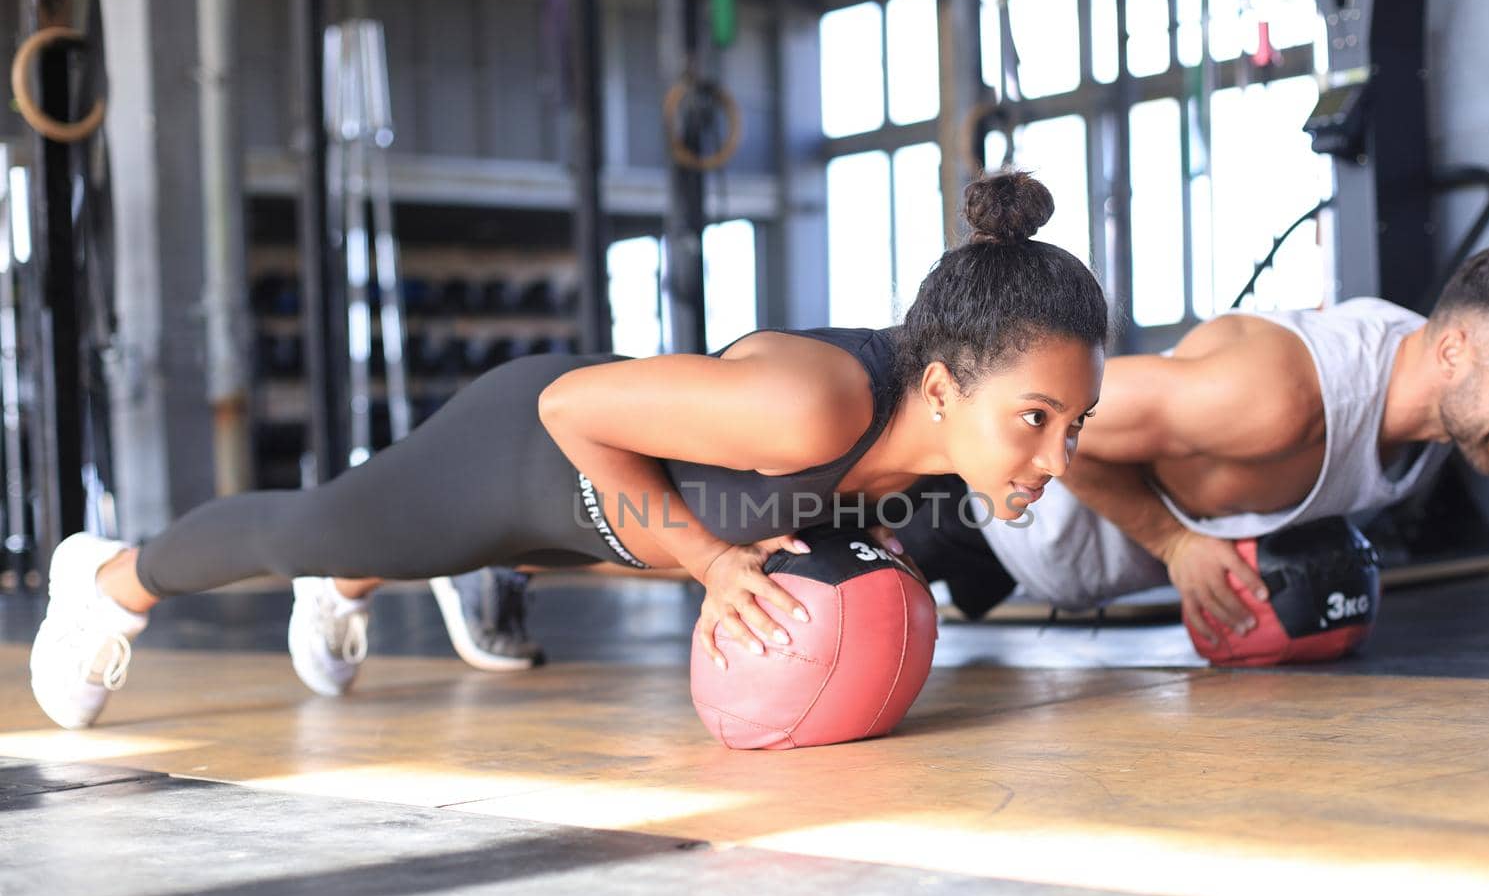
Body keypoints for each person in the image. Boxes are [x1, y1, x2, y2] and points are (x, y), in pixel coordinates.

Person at [30, 171, 1108, 730]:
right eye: (1037, 417)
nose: (1059, 457)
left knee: (425, 547)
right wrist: (711, 562)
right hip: (519, 452)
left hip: (591, 521)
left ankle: (380, 575)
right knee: (303, 527)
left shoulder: (932, 455)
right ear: (938, 387)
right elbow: (570, 412)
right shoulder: (811, 407)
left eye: (1075, 425)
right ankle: (109, 578)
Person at [899, 238, 1489, 641]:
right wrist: (1175, 543)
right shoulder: (1280, 394)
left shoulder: (1442, 392)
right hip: (976, 510)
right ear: (1454, 351)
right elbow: (1059, 421)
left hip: (1057, 564)